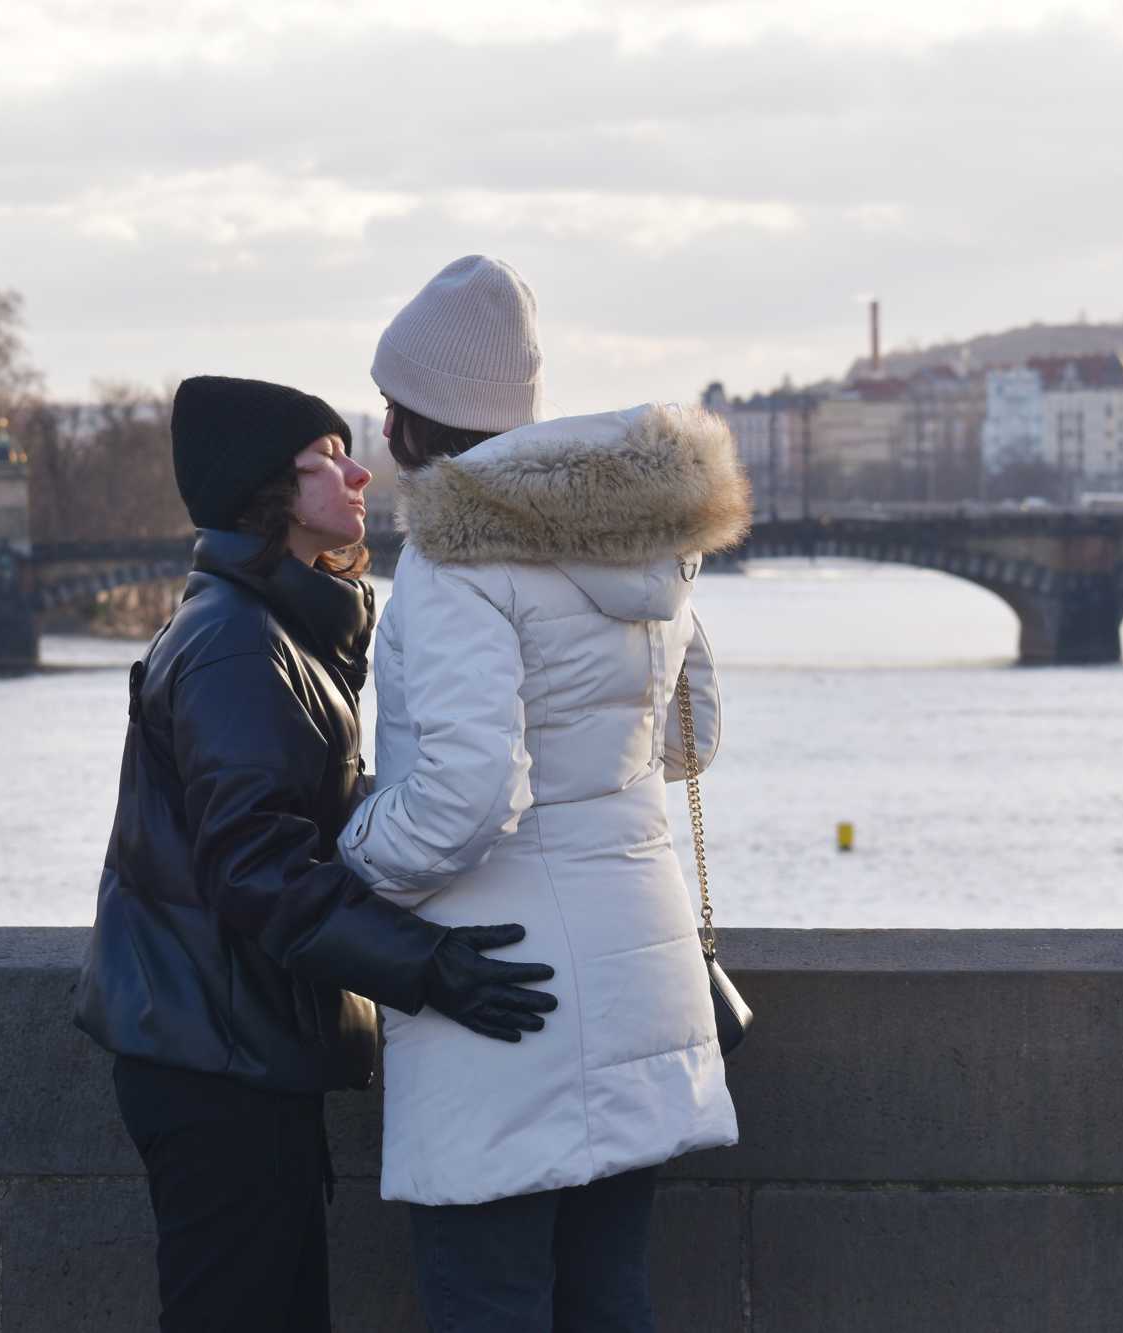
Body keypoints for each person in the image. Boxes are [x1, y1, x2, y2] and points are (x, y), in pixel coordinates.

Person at [73, 374, 558, 1333]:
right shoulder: (238, 644)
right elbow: (258, 867)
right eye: (328, 459)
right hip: (216, 1059)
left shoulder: (268, 627)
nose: (361, 473)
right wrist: (426, 966)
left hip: (228, 1044)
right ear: (269, 490)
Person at [338, 257, 751, 1331]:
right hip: (641, 970)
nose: (382, 431)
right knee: (607, 1294)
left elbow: (470, 798)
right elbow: (692, 738)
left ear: (418, 415)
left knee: (488, 1298)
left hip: (506, 990)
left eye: (389, 404)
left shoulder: (456, 562)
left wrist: (355, 852)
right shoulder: (639, 537)